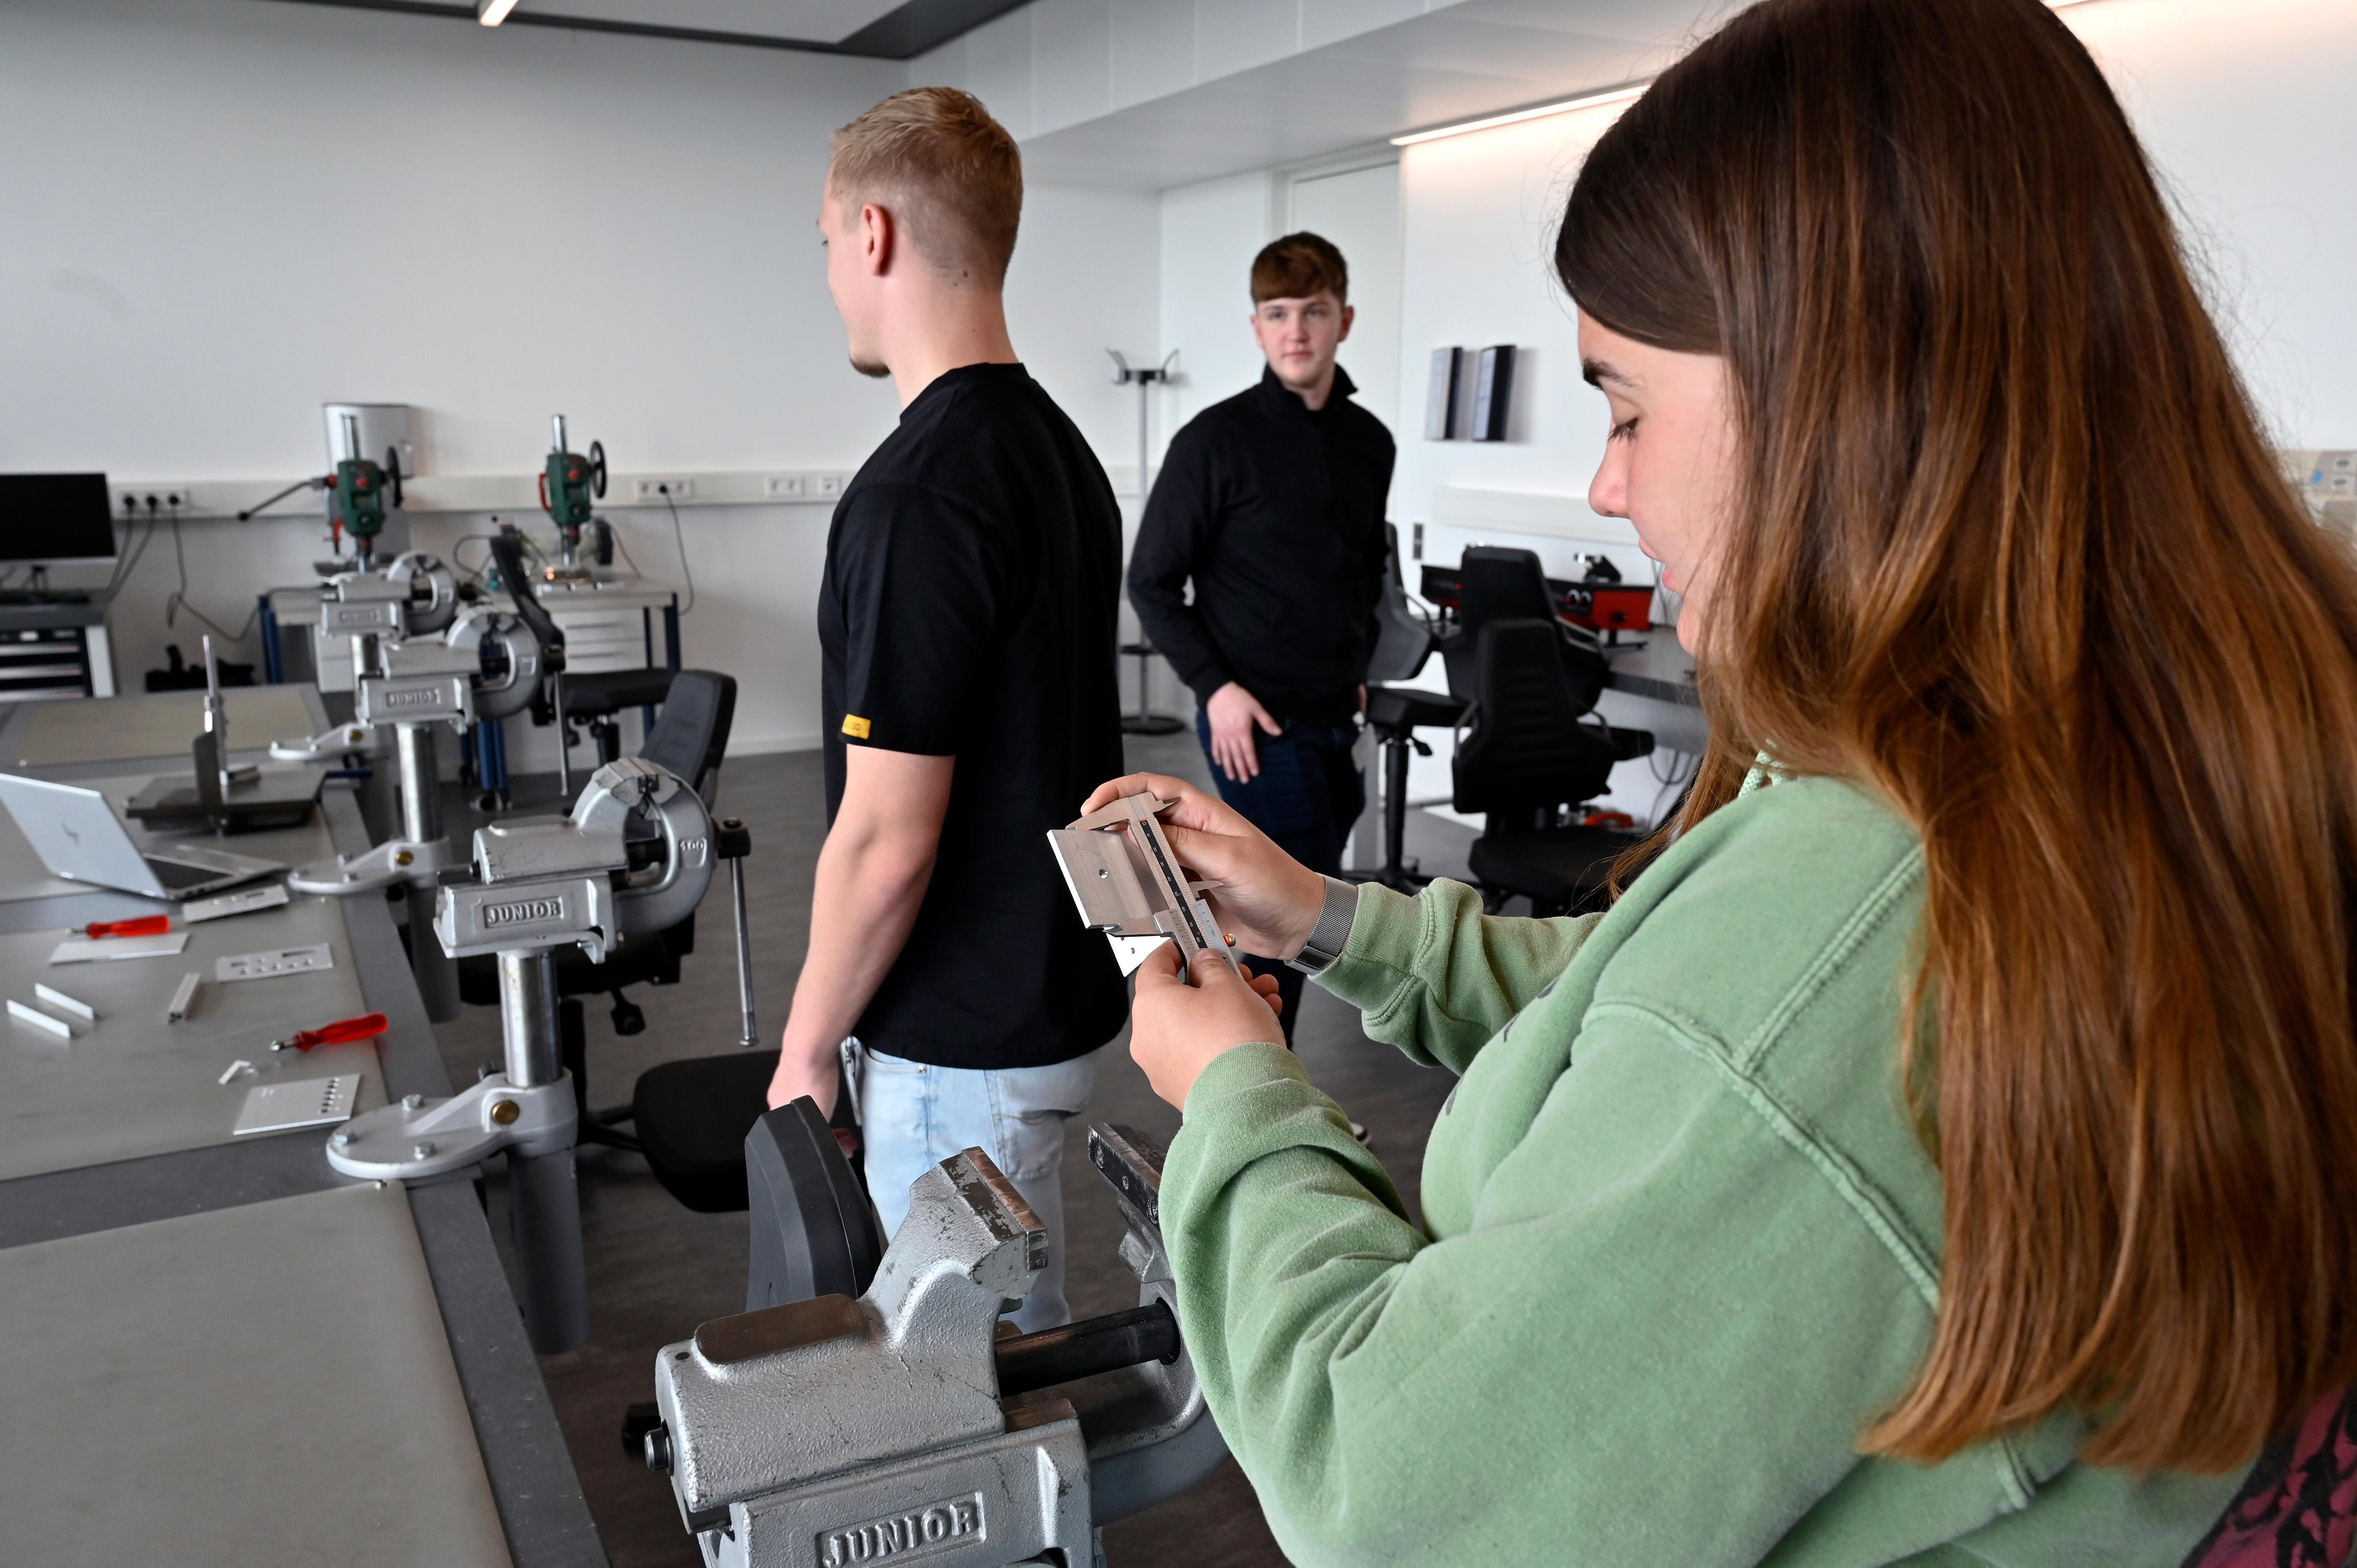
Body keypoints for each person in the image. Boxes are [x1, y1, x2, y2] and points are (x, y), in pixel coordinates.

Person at [1084, 0, 2357, 1560]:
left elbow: (1388, 1495)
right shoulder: (2197, 746)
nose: (1606, 482)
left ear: (1834, 392)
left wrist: (1238, 1088)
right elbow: (1664, 1002)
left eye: (1625, 408)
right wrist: (1326, 916)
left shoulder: (1861, 915)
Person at [763, 87, 1126, 1332]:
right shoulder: (1062, 455)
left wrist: (806, 1054)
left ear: (872, 234)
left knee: (966, 1403)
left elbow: (887, 839)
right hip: (1043, 999)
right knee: (1010, 1363)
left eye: (826, 241)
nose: (829, 272)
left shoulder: (918, 494)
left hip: (960, 1048)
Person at [1127, 232, 1394, 1042]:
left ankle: (1257, 1068)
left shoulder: (1370, 441)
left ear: (1344, 319)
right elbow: (1152, 583)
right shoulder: (1214, 441)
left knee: (1306, 908)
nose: (1296, 331)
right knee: (1284, 919)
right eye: (1278, 314)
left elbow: (1361, 570)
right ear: (1257, 328)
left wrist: (1357, 665)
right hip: (1257, 724)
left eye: (1314, 311)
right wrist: (1218, 690)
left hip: (1337, 716)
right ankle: (1253, 1073)